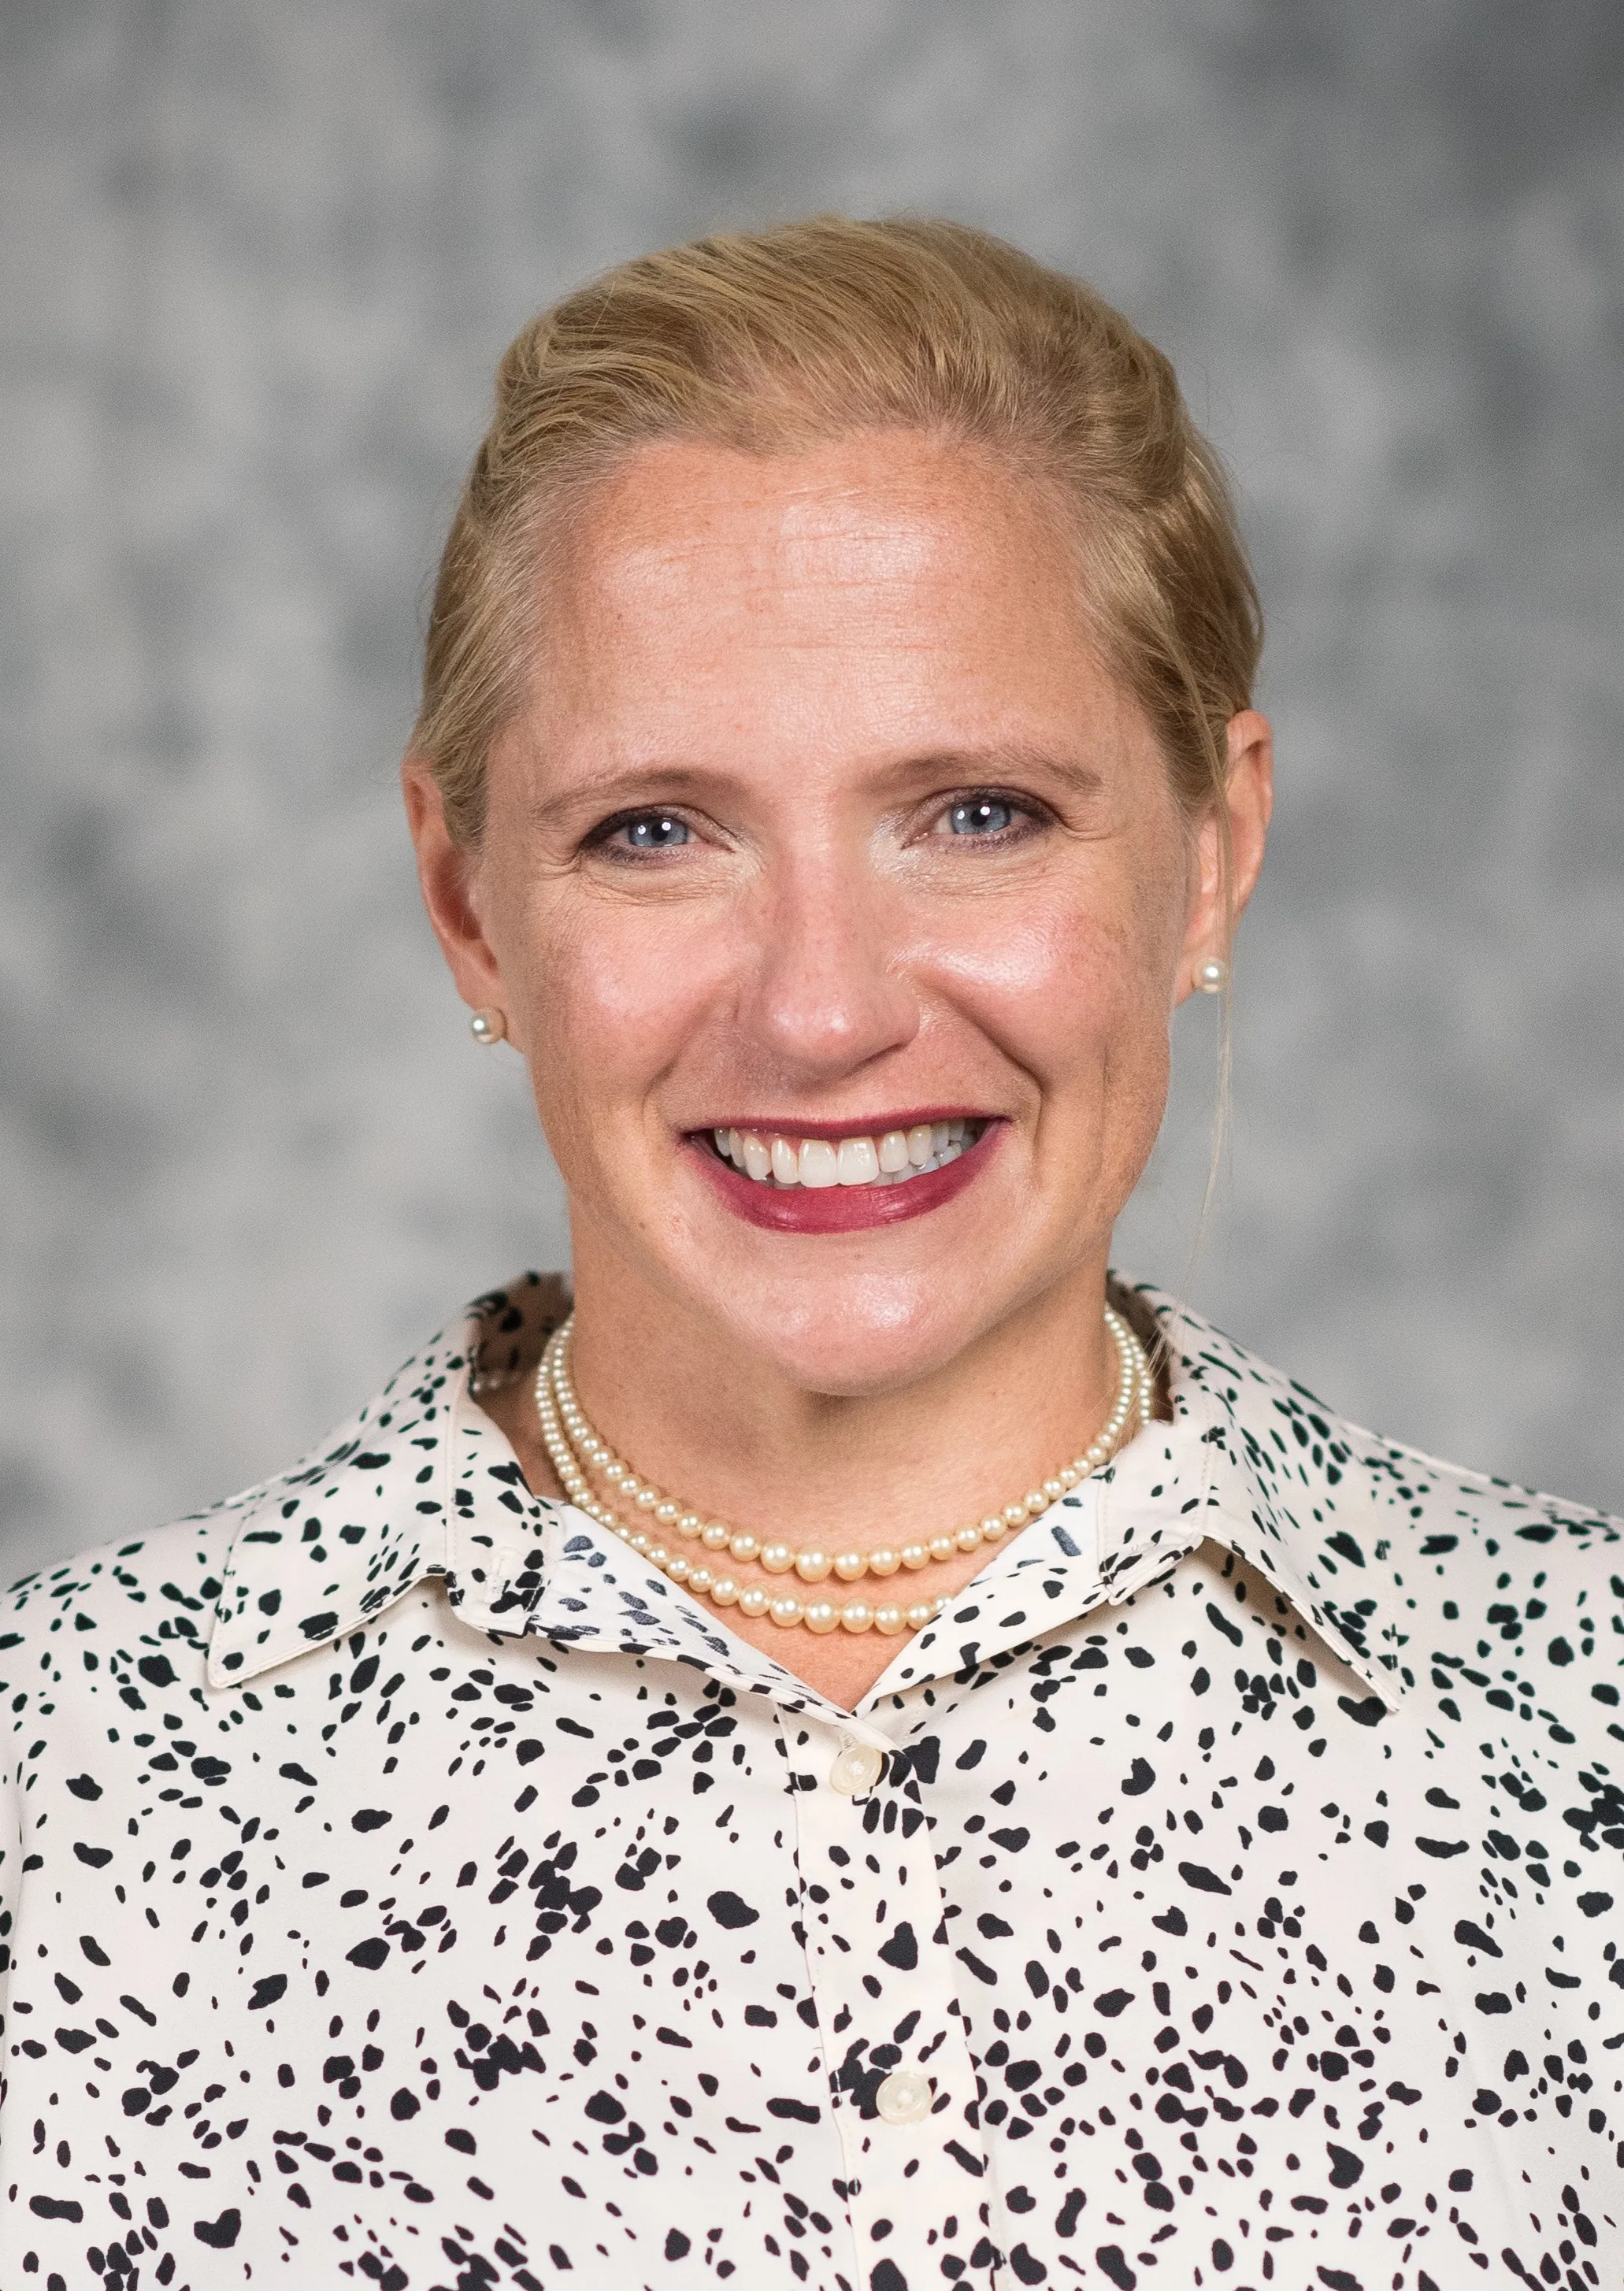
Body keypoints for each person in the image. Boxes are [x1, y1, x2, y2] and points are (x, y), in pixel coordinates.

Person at [2, 217, 1618, 2291]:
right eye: (656, 831)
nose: (824, 1010)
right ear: (469, 904)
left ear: (1211, 850)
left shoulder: (1576, 1733)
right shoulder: (61, 1785)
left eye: (979, 813)